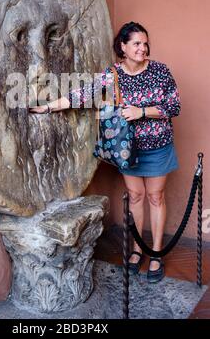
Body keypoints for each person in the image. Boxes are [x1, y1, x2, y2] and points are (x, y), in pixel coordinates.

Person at [30, 21, 181, 283]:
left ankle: (155, 253)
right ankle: (137, 250)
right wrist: (48, 107)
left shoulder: (159, 71)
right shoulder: (112, 75)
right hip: (127, 150)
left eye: (145, 43)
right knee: (135, 196)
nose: (142, 48)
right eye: (136, 43)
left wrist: (141, 112)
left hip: (158, 146)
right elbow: (82, 93)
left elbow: (174, 105)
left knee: (155, 197)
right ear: (122, 47)